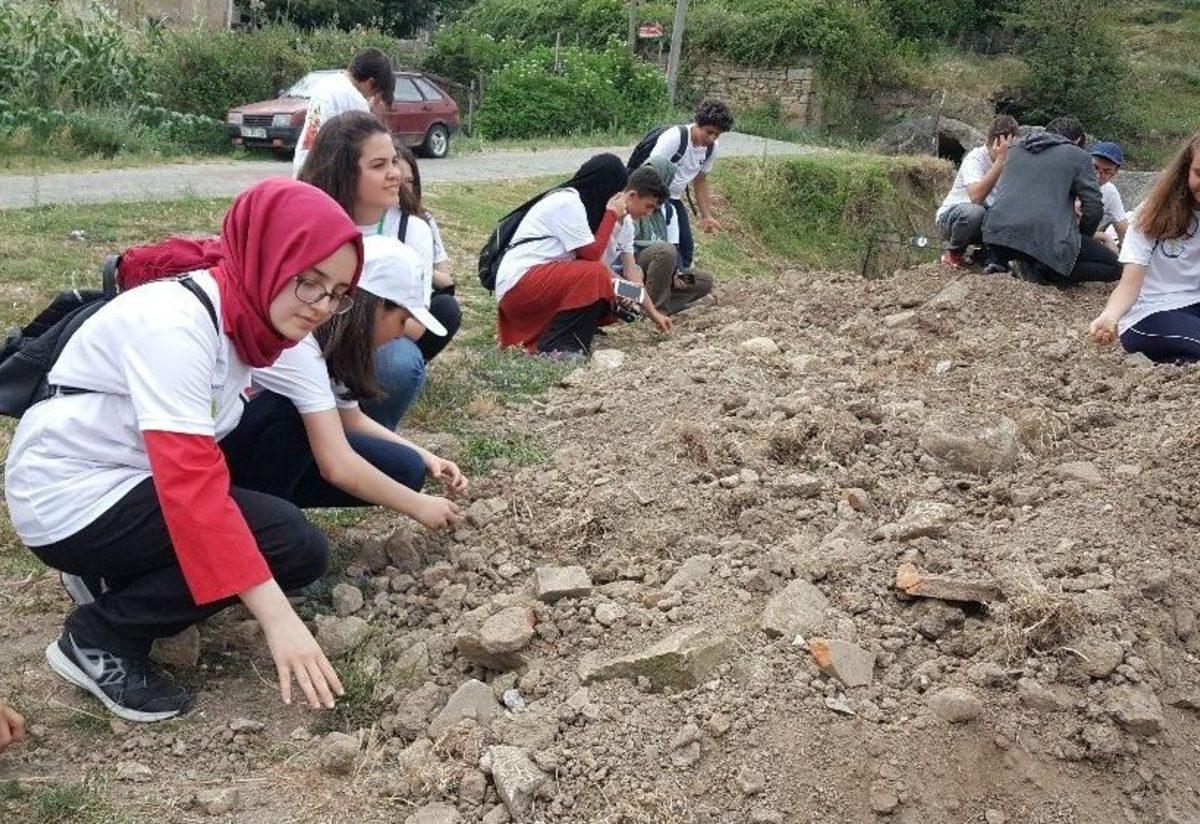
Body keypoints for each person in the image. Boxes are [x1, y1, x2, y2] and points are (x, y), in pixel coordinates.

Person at [4, 178, 364, 722]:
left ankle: (113, 578)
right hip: (70, 495)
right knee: (287, 542)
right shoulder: (177, 324)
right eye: (309, 282)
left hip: (123, 479)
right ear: (268, 256)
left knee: (286, 539)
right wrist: (278, 619)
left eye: (337, 294)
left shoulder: (250, 318)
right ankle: (99, 637)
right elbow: (192, 487)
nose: (321, 306)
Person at [220, 235, 466, 527]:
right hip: (220, 451)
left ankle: (275, 512)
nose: (402, 333)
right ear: (376, 307)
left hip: (255, 447)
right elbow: (335, 464)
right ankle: (267, 521)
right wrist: (419, 506)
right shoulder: (303, 348)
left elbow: (352, 418)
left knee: (407, 468)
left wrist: (423, 455)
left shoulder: (336, 346)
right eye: (402, 319)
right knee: (294, 414)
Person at [298, 111, 460, 430]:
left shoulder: (413, 228)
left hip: (370, 344)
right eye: (378, 165)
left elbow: (413, 323)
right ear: (344, 171)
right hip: (305, 341)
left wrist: (357, 319)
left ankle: (372, 430)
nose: (395, 174)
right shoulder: (309, 221)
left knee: (400, 360)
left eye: (394, 162)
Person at [495, 153, 634, 356]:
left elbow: (596, 264)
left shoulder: (583, 207)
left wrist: (630, 292)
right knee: (595, 274)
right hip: (520, 284)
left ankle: (562, 340)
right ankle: (559, 346)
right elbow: (591, 256)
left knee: (600, 281)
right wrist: (611, 214)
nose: (617, 201)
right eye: (615, 194)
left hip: (527, 283)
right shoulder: (569, 202)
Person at [1089, 131, 1200, 363]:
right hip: (1151, 312)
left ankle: (1179, 362)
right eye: (1199, 173)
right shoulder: (1154, 214)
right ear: (1185, 171)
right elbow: (1130, 283)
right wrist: (1110, 316)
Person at [983, 116, 1119, 284]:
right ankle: (1040, 272)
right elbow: (1094, 209)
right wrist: (1081, 238)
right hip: (1043, 242)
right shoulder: (1079, 156)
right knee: (1114, 267)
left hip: (995, 238)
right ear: (1076, 141)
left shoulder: (1014, 149)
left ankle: (1002, 262)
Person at [647, 98, 734, 273]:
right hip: (652, 196)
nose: (712, 138)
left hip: (674, 198)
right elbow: (649, 171)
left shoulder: (712, 148)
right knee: (668, 250)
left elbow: (700, 180)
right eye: (709, 132)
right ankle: (657, 284)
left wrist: (706, 216)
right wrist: (654, 206)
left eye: (717, 134)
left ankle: (681, 285)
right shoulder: (675, 138)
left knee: (686, 250)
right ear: (697, 123)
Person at [293, 48, 395, 177]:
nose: (370, 97)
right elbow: (361, 148)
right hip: (327, 171)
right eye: (374, 93)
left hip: (304, 160)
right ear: (370, 82)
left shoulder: (329, 83)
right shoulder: (354, 99)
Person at [935, 115, 1019, 268]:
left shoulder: (1012, 164)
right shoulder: (975, 158)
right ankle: (953, 253)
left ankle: (984, 254)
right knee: (975, 212)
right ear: (997, 142)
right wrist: (1000, 160)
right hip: (954, 218)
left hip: (986, 220)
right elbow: (976, 197)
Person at [632, 157, 714, 315]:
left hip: (665, 269)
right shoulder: (634, 204)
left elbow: (674, 246)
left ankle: (649, 303)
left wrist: (676, 272)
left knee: (703, 280)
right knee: (665, 251)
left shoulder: (668, 210)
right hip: (638, 264)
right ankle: (657, 310)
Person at [604, 165, 675, 331]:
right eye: (648, 206)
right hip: (589, 275)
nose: (649, 213)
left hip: (607, 275)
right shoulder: (605, 215)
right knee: (624, 289)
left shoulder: (628, 223)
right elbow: (596, 265)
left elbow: (630, 268)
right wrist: (629, 289)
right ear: (632, 196)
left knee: (635, 276)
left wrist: (653, 312)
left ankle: (641, 310)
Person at [1091, 141, 1129, 251]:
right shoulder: (1071, 180)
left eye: (1106, 172)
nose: (1098, 176)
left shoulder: (1109, 191)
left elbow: (1122, 228)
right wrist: (1103, 237)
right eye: (1095, 168)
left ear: (1115, 172)